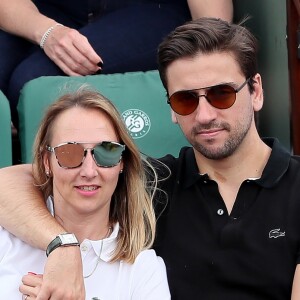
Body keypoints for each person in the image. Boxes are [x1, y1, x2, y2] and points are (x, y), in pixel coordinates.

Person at [2, 17, 299, 300]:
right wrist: (63, 246)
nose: (205, 115)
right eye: (186, 99)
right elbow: (10, 185)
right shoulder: (153, 184)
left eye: (222, 94)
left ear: (256, 91)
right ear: (170, 107)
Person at [0, 87, 170, 299]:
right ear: (46, 162)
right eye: (69, 153)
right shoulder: (6, 239)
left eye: (107, 152)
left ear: (122, 163)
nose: (89, 171)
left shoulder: (143, 270)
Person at [0, 0, 233, 128]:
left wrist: (212, 52)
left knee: (33, 81)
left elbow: (213, 16)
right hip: (52, 9)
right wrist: (47, 32)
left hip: (146, 10)